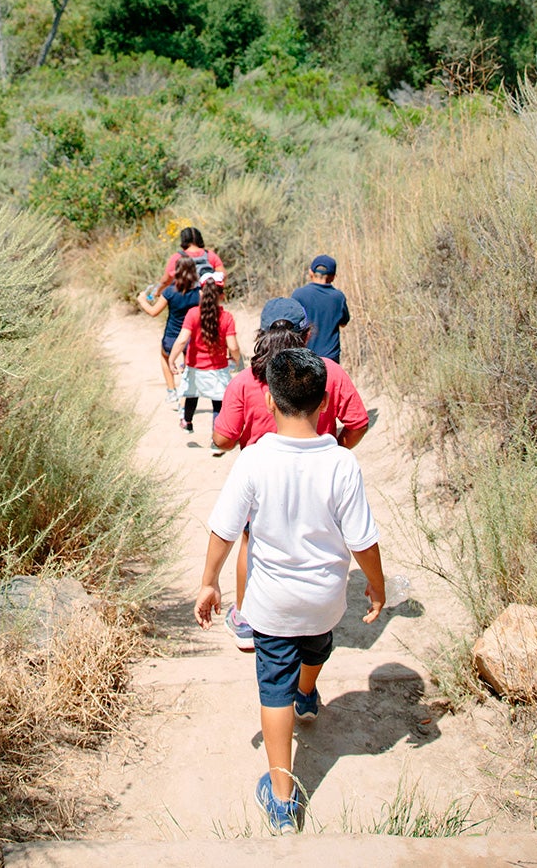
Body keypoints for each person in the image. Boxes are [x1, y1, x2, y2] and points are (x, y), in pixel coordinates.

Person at [194, 345, 385, 835]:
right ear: (324, 404)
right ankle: (308, 694)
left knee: (272, 686)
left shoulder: (255, 461)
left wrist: (209, 582)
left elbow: (223, 528)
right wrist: (378, 588)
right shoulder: (342, 464)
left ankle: (282, 798)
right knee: (319, 645)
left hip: (272, 603)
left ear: (272, 402)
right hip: (324, 600)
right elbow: (364, 541)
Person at [212, 298, 370, 650]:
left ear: (262, 334)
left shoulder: (246, 382)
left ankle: (246, 619)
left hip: (263, 485)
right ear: (307, 333)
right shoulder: (330, 372)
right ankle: (310, 623)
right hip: (318, 481)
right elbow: (358, 422)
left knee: (251, 543)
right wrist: (338, 448)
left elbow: (222, 438)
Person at [168, 273, 240, 434]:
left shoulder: (193, 314)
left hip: (195, 366)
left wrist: (171, 360)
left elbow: (181, 340)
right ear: (222, 295)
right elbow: (233, 346)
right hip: (218, 368)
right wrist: (237, 360)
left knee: (192, 394)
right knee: (218, 403)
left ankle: (187, 422)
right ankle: (216, 437)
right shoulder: (226, 317)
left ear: (201, 293)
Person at [136, 256, 201, 408]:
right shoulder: (199, 293)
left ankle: (172, 391)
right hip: (191, 337)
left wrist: (142, 300)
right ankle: (186, 395)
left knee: (165, 357)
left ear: (177, 272)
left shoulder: (170, 292)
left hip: (172, 336)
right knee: (188, 365)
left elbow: (153, 312)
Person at [291, 254, 351, 362]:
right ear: (333, 277)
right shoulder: (338, 297)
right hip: (330, 360)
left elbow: (291, 325)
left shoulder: (299, 295)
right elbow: (344, 323)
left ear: (311, 273)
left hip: (304, 359)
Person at [158, 225, 225, 290]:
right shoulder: (210, 255)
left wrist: (157, 292)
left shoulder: (177, 257)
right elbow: (223, 275)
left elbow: (166, 281)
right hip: (209, 297)